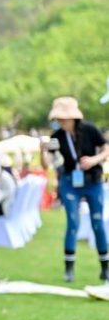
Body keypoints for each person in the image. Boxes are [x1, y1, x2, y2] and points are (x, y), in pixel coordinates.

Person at [47, 96, 109, 283]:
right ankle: (69, 269)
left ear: (73, 117)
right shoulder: (56, 137)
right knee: (72, 223)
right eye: (58, 119)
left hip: (93, 181)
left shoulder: (89, 130)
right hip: (69, 182)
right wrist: (42, 150)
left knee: (97, 223)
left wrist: (94, 160)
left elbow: (106, 148)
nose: (60, 122)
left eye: (63, 118)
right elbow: (47, 163)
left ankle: (105, 268)